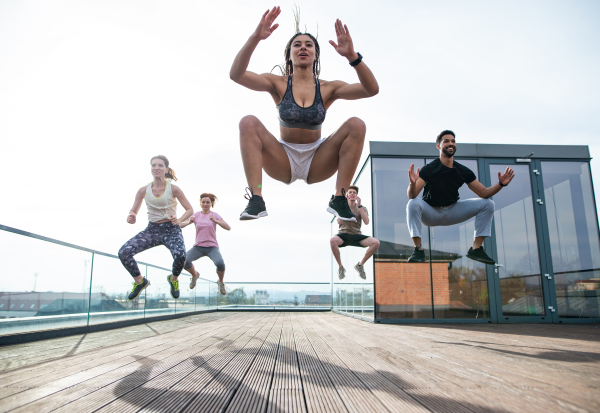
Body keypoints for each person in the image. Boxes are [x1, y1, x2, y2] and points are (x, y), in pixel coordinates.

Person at [229, 6, 379, 221]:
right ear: (289, 55)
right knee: (248, 122)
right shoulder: (278, 83)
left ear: (315, 55)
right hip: (282, 157)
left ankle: (339, 197)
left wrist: (353, 57)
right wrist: (255, 38)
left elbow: (371, 89)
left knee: (357, 124)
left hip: (318, 159)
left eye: (309, 45)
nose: (303, 48)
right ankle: (256, 197)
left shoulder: (328, 88)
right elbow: (236, 74)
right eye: (297, 45)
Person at [406, 130, 515, 264]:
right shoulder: (429, 169)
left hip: (452, 211)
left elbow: (484, 193)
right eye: (446, 141)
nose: (450, 143)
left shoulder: (463, 171)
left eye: (453, 141)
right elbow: (412, 195)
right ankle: (418, 250)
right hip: (431, 212)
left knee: (488, 204)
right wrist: (412, 183)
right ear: (438, 146)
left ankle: (476, 248)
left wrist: (500, 184)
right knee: (413, 203)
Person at [118, 155, 193, 300]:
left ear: (166, 169)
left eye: (160, 165)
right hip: (152, 230)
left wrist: (179, 220)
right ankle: (140, 281)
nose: (156, 168)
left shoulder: (174, 189)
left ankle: (173, 279)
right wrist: (131, 216)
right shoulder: (143, 190)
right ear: (151, 169)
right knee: (124, 252)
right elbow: (133, 210)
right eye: (153, 165)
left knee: (180, 256)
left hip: (171, 230)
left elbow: (189, 210)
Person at [180, 193, 230, 295]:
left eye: (208, 202)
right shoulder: (196, 215)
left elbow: (228, 227)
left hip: (212, 247)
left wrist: (216, 221)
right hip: (198, 247)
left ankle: (220, 282)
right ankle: (195, 275)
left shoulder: (214, 215)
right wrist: (189, 222)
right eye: (203, 202)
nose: (205, 204)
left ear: (211, 203)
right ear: (200, 203)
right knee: (184, 261)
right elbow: (180, 225)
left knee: (220, 264)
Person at [330, 185, 380, 279]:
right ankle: (341, 267)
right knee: (332, 240)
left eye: (354, 193)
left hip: (357, 235)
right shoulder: (342, 207)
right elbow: (339, 221)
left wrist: (360, 205)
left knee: (376, 242)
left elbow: (366, 222)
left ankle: (360, 266)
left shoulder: (362, 208)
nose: (352, 194)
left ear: (357, 195)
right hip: (343, 235)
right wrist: (342, 207)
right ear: (347, 195)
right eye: (350, 192)